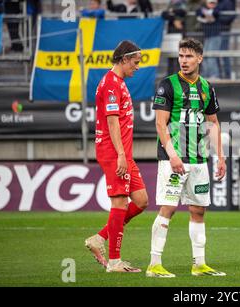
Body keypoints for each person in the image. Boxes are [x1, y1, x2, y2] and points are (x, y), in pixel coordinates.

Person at [146, 37, 226, 278]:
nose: (183, 61)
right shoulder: (167, 85)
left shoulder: (206, 88)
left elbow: (213, 123)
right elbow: (161, 125)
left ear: (199, 58)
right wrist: (172, 156)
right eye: (181, 56)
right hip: (174, 159)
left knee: (198, 211)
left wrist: (220, 156)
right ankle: (154, 264)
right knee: (168, 209)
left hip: (199, 159)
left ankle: (199, 264)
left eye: (189, 56)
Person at [85, 40, 149, 273]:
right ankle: (114, 262)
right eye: (135, 62)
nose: (138, 67)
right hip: (114, 152)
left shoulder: (118, 83)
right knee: (120, 202)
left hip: (122, 153)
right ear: (124, 60)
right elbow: (112, 122)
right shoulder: (111, 84)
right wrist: (121, 154)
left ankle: (99, 238)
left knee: (141, 200)